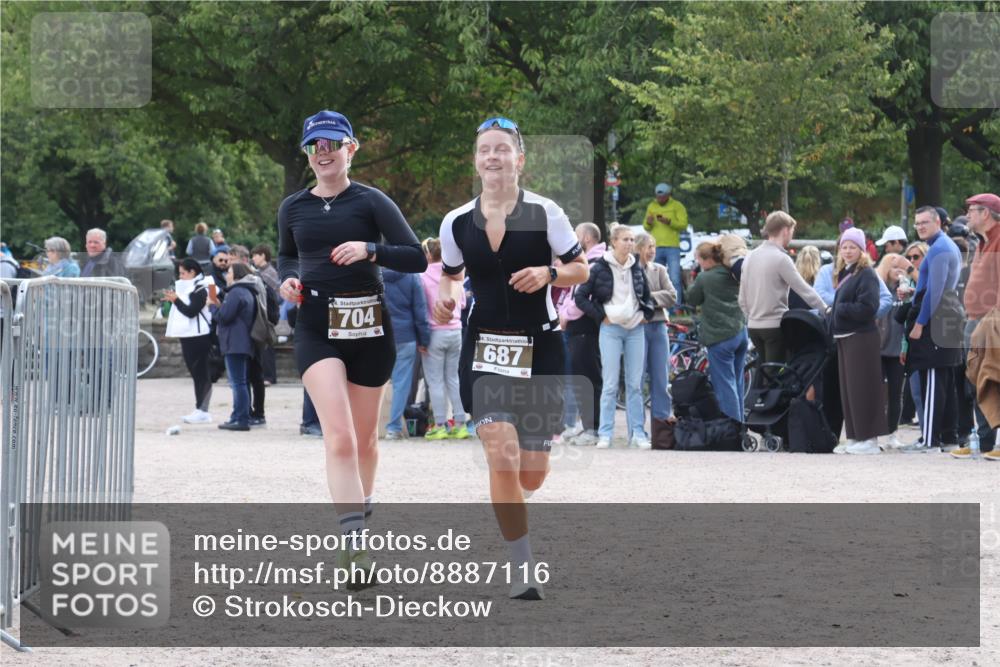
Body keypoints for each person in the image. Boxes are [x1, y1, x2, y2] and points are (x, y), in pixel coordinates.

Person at [434, 116, 588, 600]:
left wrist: (549, 273)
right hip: (482, 348)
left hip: (540, 347)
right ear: (476, 160)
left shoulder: (547, 213)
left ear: (519, 160)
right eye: (485, 150)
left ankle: (530, 470)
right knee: (500, 455)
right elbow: (451, 275)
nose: (493, 157)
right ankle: (522, 569)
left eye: (502, 149)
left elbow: (580, 269)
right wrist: (445, 295)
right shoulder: (456, 221)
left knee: (531, 475)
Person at [278, 109, 426, 585]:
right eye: (314, 146)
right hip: (317, 326)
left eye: (331, 144)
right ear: (307, 153)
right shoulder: (292, 206)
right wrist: (287, 282)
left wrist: (370, 249)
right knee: (338, 437)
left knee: (365, 440)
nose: (322, 153)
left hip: (369, 328)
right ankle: (355, 547)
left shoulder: (372, 202)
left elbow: (417, 257)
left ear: (351, 148)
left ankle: (358, 519)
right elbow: (285, 255)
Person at [575, 224, 654, 449]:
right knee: (610, 383)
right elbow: (581, 297)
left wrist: (646, 313)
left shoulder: (637, 266)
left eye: (631, 239)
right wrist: (601, 316)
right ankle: (605, 434)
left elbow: (646, 295)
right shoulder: (599, 267)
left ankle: (637, 433)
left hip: (635, 329)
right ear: (614, 242)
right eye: (625, 239)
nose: (630, 243)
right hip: (610, 330)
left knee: (635, 384)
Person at [897, 206, 964, 453]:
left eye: (925, 222)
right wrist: (915, 292)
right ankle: (946, 437)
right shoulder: (946, 246)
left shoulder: (939, 249)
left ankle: (930, 440)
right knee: (944, 380)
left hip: (936, 321)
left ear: (938, 222)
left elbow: (935, 293)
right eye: (917, 223)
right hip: (945, 316)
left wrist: (920, 323)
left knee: (934, 379)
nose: (920, 227)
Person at [738, 212, 826, 365]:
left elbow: (741, 298)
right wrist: (825, 309)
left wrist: (752, 316)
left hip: (753, 327)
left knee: (762, 373)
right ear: (785, 230)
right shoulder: (781, 258)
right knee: (775, 378)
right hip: (774, 326)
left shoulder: (750, 256)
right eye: (792, 230)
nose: (791, 234)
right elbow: (804, 290)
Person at [828, 228, 886, 454]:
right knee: (849, 390)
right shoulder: (846, 272)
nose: (848, 251)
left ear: (862, 249)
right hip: (845, 336)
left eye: (853, 247)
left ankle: (869, 438)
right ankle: (854, 436)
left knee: (863, 388)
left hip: (861, 337)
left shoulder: (867, 274)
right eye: (844, 247)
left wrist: (839, 310)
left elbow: (869, 307)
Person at [951, 193, 1000, 459]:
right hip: (974, 319)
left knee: (992, 377)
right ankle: (984, 442)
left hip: (990, 320)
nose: (967, 215)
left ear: (986, 213)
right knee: (977, 379)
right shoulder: (982, 242)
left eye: (972, 211)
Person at [686, 240, 749, 423]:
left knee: (725, 386)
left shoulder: (705, 278)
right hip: (740, 332)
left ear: (706, 260)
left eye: (699, 260)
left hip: (719, 337)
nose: (698, 264)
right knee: (737, 382)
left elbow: (692, 298)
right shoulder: (732, 273)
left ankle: (733, 430)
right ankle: (741, 426)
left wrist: (694, 278)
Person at [556, 222, 606, 446]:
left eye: (576, 236)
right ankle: (587, 425)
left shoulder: (594, 263)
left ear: (586, 238)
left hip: (584, 327)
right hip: (580, 328)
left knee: (588, 378)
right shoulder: (589, 262)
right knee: (581, 377)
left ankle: (592, 428)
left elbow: (581, 297)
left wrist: (565, 315)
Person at [419, 238, 470, 440]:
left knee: (435, 381)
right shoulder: (454, 274)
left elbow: (420, 306)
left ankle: (440, 424)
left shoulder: (422, 276)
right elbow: (463, 303)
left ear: (429, 255)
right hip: (455, 330)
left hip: (434, 332)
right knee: (453, 378)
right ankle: (460, 423)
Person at [164, 258, 216, 424]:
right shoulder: (190, 286)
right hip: (188, 336)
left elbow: (191, 311)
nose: (181, 276)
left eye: (183, 273)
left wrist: (176, 300)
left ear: (193, 272)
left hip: (199, 337)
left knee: (201, 374)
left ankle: (203, 410)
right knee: (196, 374)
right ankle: (200, 408)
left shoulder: (201, 287)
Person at [383, 267, 431, 440]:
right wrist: (424, 340)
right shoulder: (412, 276)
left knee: (372, 383)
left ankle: (366, 425)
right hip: (405, 336)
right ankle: (393, 427)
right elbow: (420, 310)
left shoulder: (375, 274)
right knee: (401, 384)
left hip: (380, 335)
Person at [635, 232, 677, 426]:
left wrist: (646, 297)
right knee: (637, 380)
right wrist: (655, 298)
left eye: (654, 246)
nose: (652, 251)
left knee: (661, 379)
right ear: (638, 248)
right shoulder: (629, 270)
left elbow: (672, 296)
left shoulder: (659, 269)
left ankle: (661, 428)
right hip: (637, 327)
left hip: (659, 326)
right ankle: (637, 429)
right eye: (648, 246)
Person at [209, 262, 256, 431]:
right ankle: (238, 416)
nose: (226, 274)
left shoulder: (237, 292)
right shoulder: (246, 291)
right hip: (241, 342)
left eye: (229, 271)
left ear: (236, 274)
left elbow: (224, 317)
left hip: (235, 342)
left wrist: (212, 305)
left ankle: (240, 418)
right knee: (240, 382)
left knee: (238, 383)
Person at [875, 249, 914, 449]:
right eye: (893, 266)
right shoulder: (877, 288)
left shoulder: (907, 290)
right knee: (875, 392)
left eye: (900, 266)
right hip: (877, 349)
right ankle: (872, 435)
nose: (897, 270)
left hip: (898, 349)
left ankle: (892, 434)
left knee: (895, 394)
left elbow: (908, 319)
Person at [643, 182, 688, 310]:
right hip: (655, 247)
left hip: (672, 246)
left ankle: (676, 307)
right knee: (654, 278)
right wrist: (649, 222)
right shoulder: (651, 206)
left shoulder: (677, 206)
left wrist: (669, 222)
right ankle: (657, 305)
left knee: (674, 277)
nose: (659, 199)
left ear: (669, 195)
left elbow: (683, 224)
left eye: (662, 197)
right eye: (658, 196)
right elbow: (646, 227)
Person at [789, 245, 822, 311]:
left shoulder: (790, 279)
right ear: (818, 260)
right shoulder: (821, 282)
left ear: (799, 259)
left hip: (791, 317)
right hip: (813, 319)